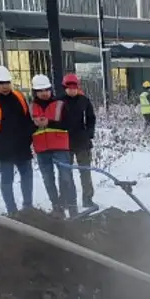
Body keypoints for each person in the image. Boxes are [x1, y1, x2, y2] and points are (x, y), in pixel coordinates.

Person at [0, 64, 34, 215]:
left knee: (27, 176)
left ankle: (28, 207)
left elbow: (27, 119)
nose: (5, 87)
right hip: (3, 147)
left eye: (7, 83)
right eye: (1, 84)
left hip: (22, 144)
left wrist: (29, 137)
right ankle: (12, 211)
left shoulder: (19, 96)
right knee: (7, 179)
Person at [30, 74, 77, 218]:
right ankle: (57, 207)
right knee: (48, 179)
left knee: (65, 177)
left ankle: (72, 207)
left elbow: (69, 124)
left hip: (60, 147)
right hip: (42, 149)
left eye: (46, 89)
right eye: (40, 90)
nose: (44, 93)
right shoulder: (31, 107)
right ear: (35, 92)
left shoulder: (60, 104)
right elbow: (26, 127)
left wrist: (48, 123)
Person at [60, 73, 96, 208]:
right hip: (64, 143)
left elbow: (91, 118)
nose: (72, 90)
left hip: (82, 143)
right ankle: (68, 200)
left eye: (74, 87)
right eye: (69, 87)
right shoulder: (59, 102)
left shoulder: (84, 101)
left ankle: (88, 199)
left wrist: (89, 134)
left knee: (85, 173)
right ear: (65, 88)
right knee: (65, 174)